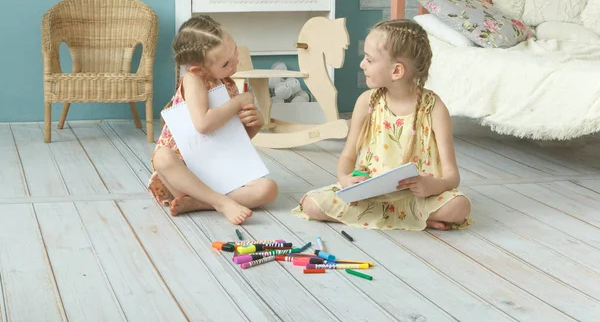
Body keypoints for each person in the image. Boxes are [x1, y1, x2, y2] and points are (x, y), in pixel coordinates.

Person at [292, 19, 472, 230]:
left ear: (396, 71)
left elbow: (452, 176)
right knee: (311, 204)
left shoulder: (434, 108)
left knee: (460, 206)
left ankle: (410, 216)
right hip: (370, 197)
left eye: (369, 59)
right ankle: (417, 220)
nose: (362, 64)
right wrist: (344, 179)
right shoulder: (366, 102)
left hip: (417, 198)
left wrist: (433, 185)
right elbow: (348, 156)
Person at [148, 16, 278, 224]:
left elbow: (231, 140)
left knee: (269, 189)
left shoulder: (226, 83)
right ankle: (220, 202)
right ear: (199, 69)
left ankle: (199, 202)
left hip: (217, 169)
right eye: (226, 63)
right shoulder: (194, 80)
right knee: (162, 157)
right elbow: (204, 125)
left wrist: (255, 124)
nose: (235, 61)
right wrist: (237, 103)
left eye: (234, 49)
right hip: (184, 175)